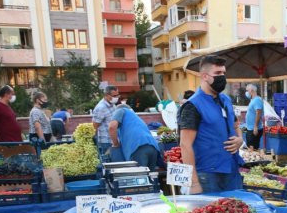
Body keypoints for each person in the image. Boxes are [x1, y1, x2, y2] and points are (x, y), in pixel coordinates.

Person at [179, 55, 244, 194]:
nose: (222, 77)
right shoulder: (192, 105)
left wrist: (240, 139)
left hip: (231, 169)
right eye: (218, 73)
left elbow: (235, 124)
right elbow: (185, 145)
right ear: (205, 76)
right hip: (208, 174)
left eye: (224, 73)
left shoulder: (225, 100)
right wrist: (194, 182)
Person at [108, 104, 163, 171]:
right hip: (153, 147)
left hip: (139, 148)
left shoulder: (121, 110)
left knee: (139, 178)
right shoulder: (134, 119)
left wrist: (115, 144)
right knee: (151, 177)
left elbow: (111, 127)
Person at [93, 85, 120, 160]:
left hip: (114, 140)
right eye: (114, 95)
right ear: (106, 95)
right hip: (106, 142)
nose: (117, 97)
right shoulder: (101, 108)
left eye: (118, 94)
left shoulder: (112, 105)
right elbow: (95, 126)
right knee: (109, 163)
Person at [245, 84, 264, 150]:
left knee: (252, 148)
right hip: (250, 128)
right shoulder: (253, 100)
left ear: (251, 90)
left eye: (247, 90)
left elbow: (258, 113)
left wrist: (255, 127)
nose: (246, 92)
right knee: (251, 147)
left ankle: (255, 160)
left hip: (254, 129)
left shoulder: (257, 100)